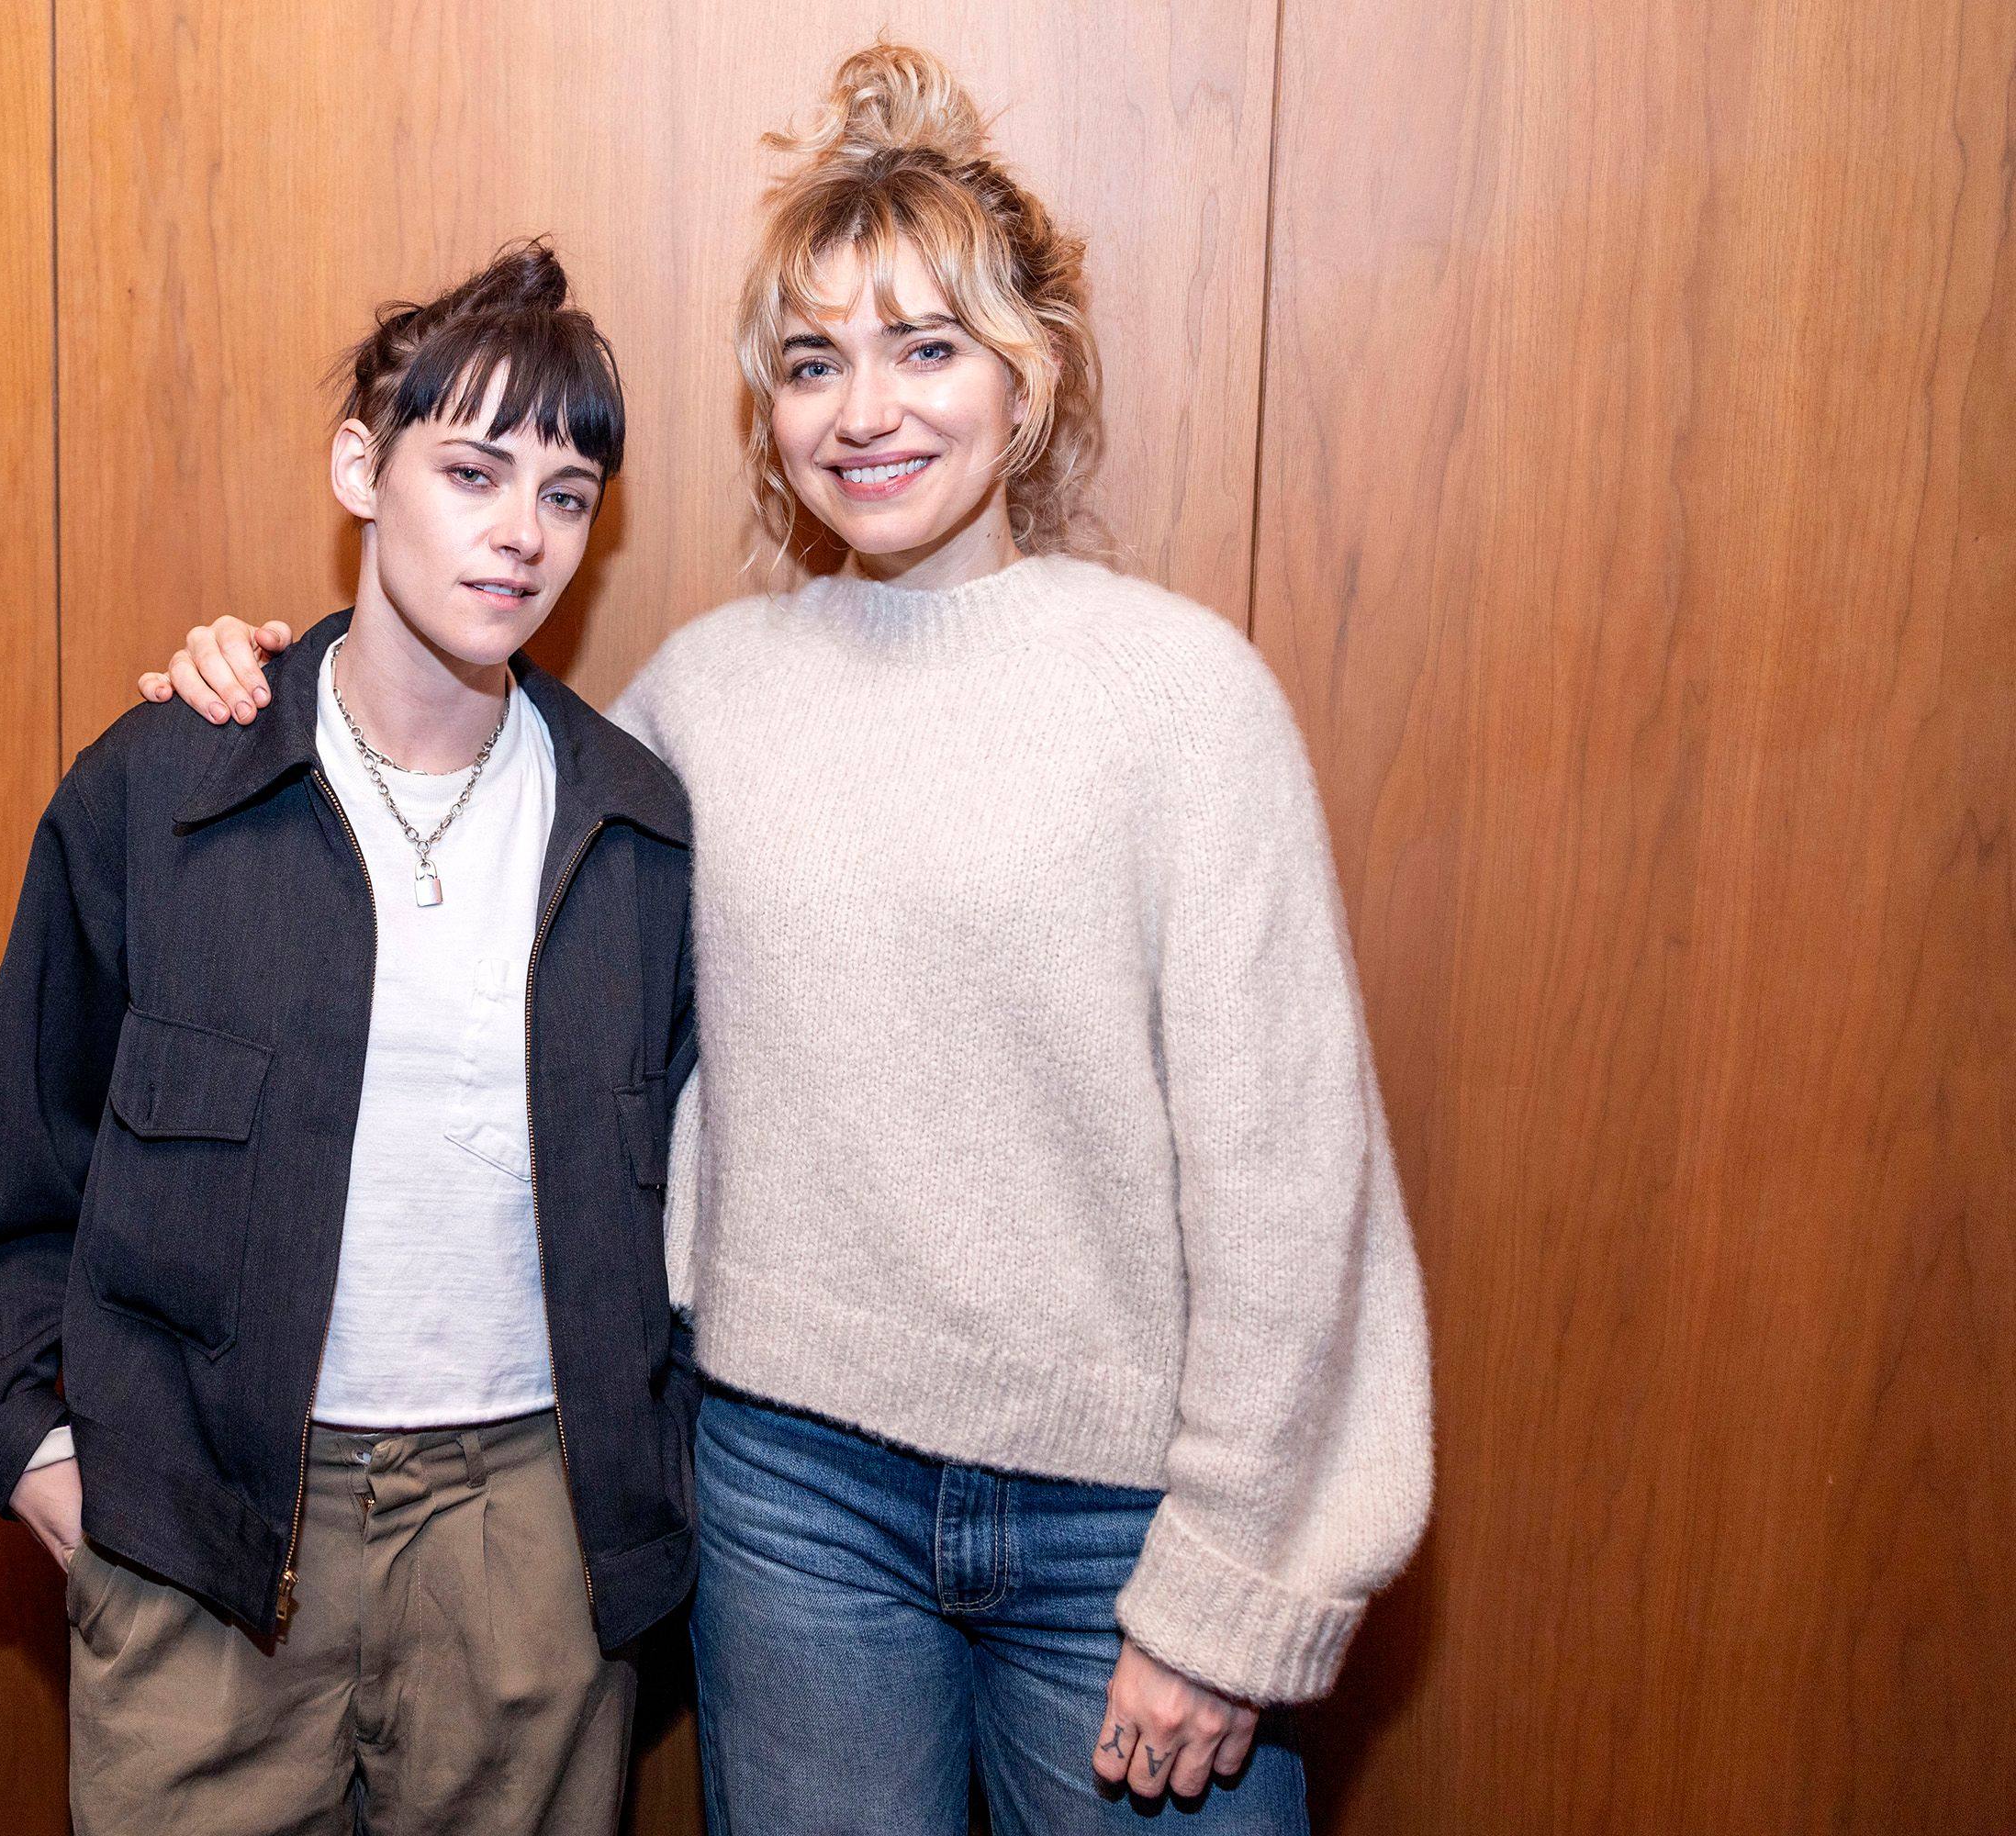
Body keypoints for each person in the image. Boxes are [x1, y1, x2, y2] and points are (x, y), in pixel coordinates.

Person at [139, 43, 1432, 1836]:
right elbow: (456, 771)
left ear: (1029, 371)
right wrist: (261, 675)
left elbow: (1298, 1191)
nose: (868, 409)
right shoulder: (700, 705)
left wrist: (1233, 1594)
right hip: (787, 1497)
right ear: (768, 406)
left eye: (927, 347)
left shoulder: (1184, 702)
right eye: (815, 362)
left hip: (1127, 1532)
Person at [0, 241, 699, 1836]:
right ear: (360, 470)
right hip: (206, 1542)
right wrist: (70, 1491)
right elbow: (13, 1170)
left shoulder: (634, 828)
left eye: (567, 493)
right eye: (470, 471)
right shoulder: (167, 788)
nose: (520, 534)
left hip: (530, 1545)